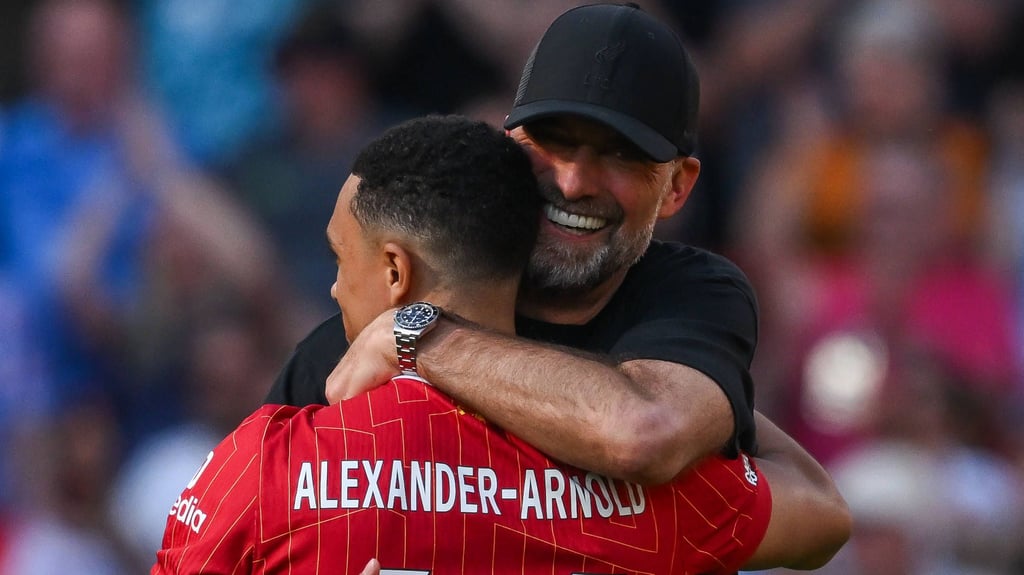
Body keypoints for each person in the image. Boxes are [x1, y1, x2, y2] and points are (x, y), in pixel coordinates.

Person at [154, 114, 844, 574]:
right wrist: (705, 383)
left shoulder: (269, 464)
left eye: (341, 259)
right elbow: (821, 505)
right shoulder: (647, 500)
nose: (335, 289)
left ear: (397, 271)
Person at [270, 3, 765, 483]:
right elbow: (237, 525)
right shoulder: (375, 317)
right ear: (507, 142)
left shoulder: (693, 295)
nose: (574, 183)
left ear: (677, 186)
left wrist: (417, 339)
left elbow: (642, 435)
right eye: (554, 141)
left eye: (620, 155)